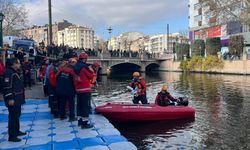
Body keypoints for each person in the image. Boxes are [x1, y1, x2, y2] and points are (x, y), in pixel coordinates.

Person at [2, 58, 26, 142]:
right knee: (13, 117)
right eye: (18, 63)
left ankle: (16, 131)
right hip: (13, 99)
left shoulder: (14, 72)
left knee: (17, 115)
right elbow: (7, 87)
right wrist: (10, 98)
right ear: (13, 64)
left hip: (17, 98)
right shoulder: (9, 73)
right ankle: (12, 136)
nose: (19, 65)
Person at [73, 52, 94, 129]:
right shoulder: (84, 67)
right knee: (85, 106)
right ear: (85, 59)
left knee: (79, 105)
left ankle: (79, 121)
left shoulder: (75, 67)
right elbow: (90, 76)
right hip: (85, 89)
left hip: (78, 89)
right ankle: (85, 123)